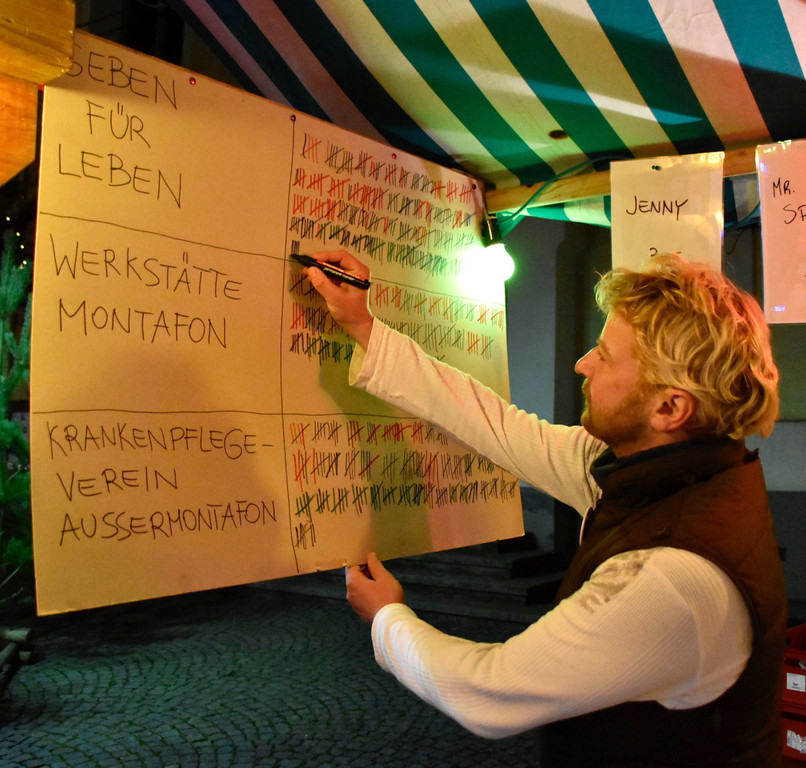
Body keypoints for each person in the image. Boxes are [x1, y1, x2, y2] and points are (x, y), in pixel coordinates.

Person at [302, 249, 786, 768]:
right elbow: (495, 425)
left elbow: (488, 690)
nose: (583, 364)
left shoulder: (670, 577)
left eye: (605, 355)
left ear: (669, 408)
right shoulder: (670, 468)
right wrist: (364, 327)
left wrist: (386, 618)